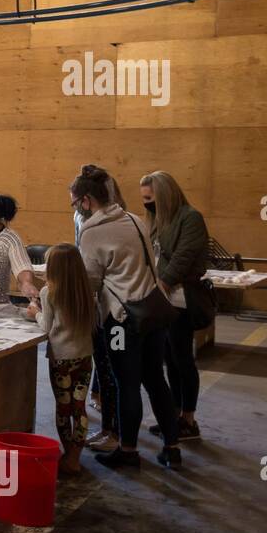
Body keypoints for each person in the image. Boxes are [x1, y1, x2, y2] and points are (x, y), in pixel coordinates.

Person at [73, 166, 182, 469]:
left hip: (122, 319)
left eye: (75, 203)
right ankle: (173, 448)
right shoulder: (135, 220)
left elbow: (92, 283)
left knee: (126, 384)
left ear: (86, 200)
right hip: (153, 312)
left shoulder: (92, 231)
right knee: (156, 380)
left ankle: (129, 450)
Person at [140, 170, 210, 442]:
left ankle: (189, 420)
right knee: (169, 359)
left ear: (165, 195)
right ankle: (176, 415)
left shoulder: (190, 218)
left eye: (150, 198)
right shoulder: (156, 219)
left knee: (183, 360)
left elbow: (183, 258)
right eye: (144, 199)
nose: (147, 204)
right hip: (163, 300)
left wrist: (162, 285)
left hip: (180, 300)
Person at [27, 244, 95, 475]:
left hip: (61, 359)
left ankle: (68, 455)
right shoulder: (86, 289)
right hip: (85, 356)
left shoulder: (49, 292)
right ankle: (76, 455)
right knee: (79, 407)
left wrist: (34, 312)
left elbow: (46, 327)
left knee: (63, 408)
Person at [76, 164, 123, 451]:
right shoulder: (123, 219)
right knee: (110, 372)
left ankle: (116, 435)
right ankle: (113, 431)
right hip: (110, 307)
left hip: (114, 310)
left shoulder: (99, 226)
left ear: (87, 199)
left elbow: (93, 276)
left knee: (115, 374)